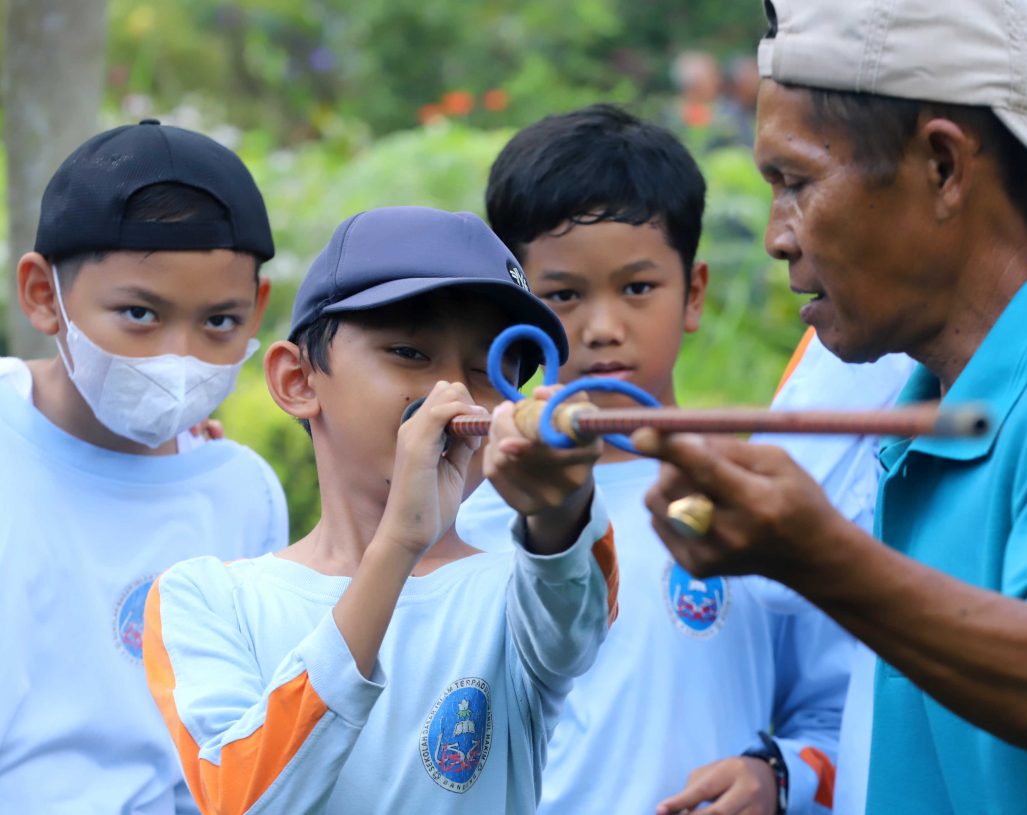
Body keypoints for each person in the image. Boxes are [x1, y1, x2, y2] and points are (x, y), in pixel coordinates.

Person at [636, 0, 1027, 812]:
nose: (777, 235)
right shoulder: (932, 409)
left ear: (942, 166)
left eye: (796, 182)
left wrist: (822, 556)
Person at [143, 206, 618, 814]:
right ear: (298, 379)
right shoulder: (206, 598)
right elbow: (244, 800)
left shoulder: (513, 592)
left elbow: (577, 617)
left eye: (488, 370)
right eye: (408, 352)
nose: (451, 396)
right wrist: (398, 544)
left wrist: (561, 502)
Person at [456, 103, 850, 815]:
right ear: (516, 313)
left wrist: (776, 774)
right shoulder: (472, 514)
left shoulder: (755, 500)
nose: (604, 329)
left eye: (638, 288)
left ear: (693, 293)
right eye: (564, 295)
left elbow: (836, 714)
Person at [0, 120, 287, 813]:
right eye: (138, 312)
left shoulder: (241, 493)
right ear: (44, 295)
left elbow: (247, 734)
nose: (176, 357)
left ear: (258, 310)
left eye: (218, 322)